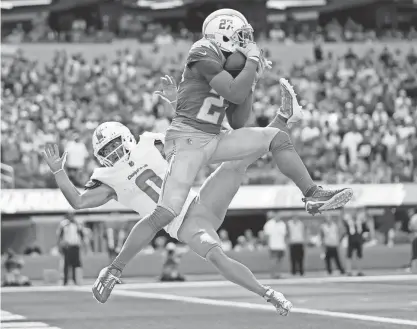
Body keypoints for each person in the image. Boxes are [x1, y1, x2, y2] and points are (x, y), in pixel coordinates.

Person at [91, 8, 353, 301]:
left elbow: (239, 119)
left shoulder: (228, 64)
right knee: (164, 213)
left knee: (277, 139)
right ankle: (114, 270)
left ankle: (312, 194)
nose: (247, 41)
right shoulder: (202, 50)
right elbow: (234, 91)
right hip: (187, 141)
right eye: (241, 36)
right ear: (223, 34)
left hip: (214, 138)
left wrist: (249, 77)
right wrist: (251, 63)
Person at [43, 93, 296, 315]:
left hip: (201, 201)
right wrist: (59, 172)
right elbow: (77, 201)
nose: (113, 152)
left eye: (115, 143)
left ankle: (283, 118)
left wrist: (177, 101)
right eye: (107, 150)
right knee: (217, 256)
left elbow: (188, 136)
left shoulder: (150, 143)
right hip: (182, 225)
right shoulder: (107, 180)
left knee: (236, 161)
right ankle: (268, 294)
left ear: (126, 137)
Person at [57, 212, 84, 285]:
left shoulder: (77, 224)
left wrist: (81, 243)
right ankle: (65, 281)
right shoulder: (63, 224)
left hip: (75, 245)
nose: (71, 217)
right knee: (66, 264)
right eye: (69, 215)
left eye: (72, 215)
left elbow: (81, 234)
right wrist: (60, 245)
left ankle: (76, 280)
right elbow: (60, 235)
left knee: (76, 264)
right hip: (67, 246)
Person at [342, 209, 369, 276]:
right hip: (351, 240)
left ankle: (359, 271)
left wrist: (365, 236)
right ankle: (349, 271)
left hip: (358, 240)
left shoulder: (360, 221)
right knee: (349, 256)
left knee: (359, 256)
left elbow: (366, 229)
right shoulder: (348, 221)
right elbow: (344, 223)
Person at [263, 211, 287, 278]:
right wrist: (268, 245)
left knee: (280, 260)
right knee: (273, 260)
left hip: (281, 246)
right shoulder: (269, 224)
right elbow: (267, 236)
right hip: (273, 246)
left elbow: (284, 235)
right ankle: (272, 274)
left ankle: (278, 274)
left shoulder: (282, 224)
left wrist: (285, 245)